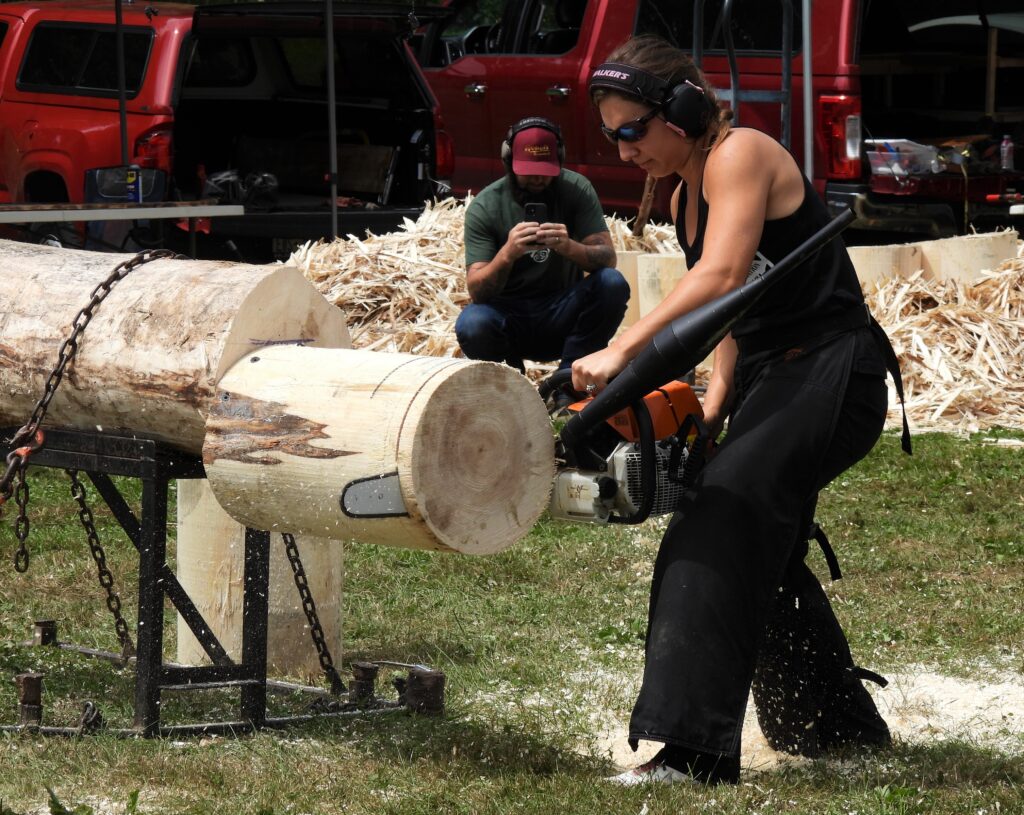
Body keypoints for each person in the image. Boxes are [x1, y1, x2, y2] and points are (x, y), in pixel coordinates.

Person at [574, 36, 911, 785]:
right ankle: (836, 727)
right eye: (612, 135)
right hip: (772, 373)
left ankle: (692, 753)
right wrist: (715, 397)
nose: (624, 150)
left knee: (722, 521)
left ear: (685, 111)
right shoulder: (686, 188)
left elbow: (725, 273)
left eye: (634, 130)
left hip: (833, 367)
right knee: (760, 540)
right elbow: (733, 304)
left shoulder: (740, 155)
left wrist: (625, 348)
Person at [455, 116, 630, 405]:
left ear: (560, 161)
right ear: (508, 162)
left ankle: (568, 387)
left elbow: (607, 259)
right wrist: (507, 253)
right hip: (509, 317)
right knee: (473, 322)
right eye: (528, 172)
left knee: (611, 283)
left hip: (561, 309)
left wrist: (568, 246)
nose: (537, 179)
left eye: (546, 172)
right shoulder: (486, 206)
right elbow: (477, 290)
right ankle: (512, 395)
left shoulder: (576, 189)